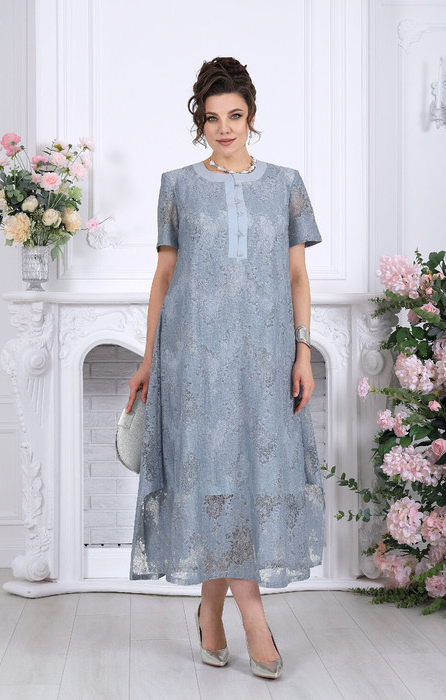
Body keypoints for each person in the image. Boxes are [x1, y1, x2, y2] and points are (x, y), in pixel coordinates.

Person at [126, 56, 325, 680]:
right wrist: (148, 358)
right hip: (194, 358)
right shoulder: (176, 185)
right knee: (211, 476)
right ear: (200, 123)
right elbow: (164, 277)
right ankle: (254, 618)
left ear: (252, 116)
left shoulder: (286, 183)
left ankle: (210, 612)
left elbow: (297, 275)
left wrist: (302, 350)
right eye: (212, 119)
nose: (224, 128)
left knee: (244, 477)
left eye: (235, 116)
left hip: (265, 358)